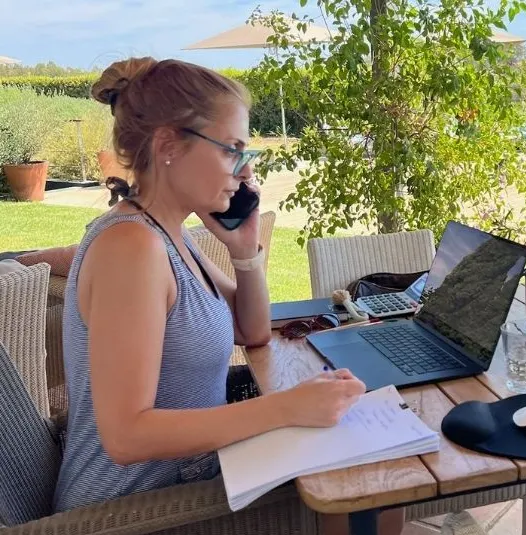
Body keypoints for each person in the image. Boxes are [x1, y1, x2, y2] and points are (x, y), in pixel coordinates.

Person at [52, 56, 404, 535]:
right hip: (135, 509)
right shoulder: (131, 247)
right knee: (372, 487)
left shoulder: (169, 233)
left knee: (376, 477)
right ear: (168, 145)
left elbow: (251, 330)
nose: (245, 171)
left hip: (193, 472)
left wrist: (244, 251)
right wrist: (286, 407)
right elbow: (126, 436)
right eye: (232, 151)